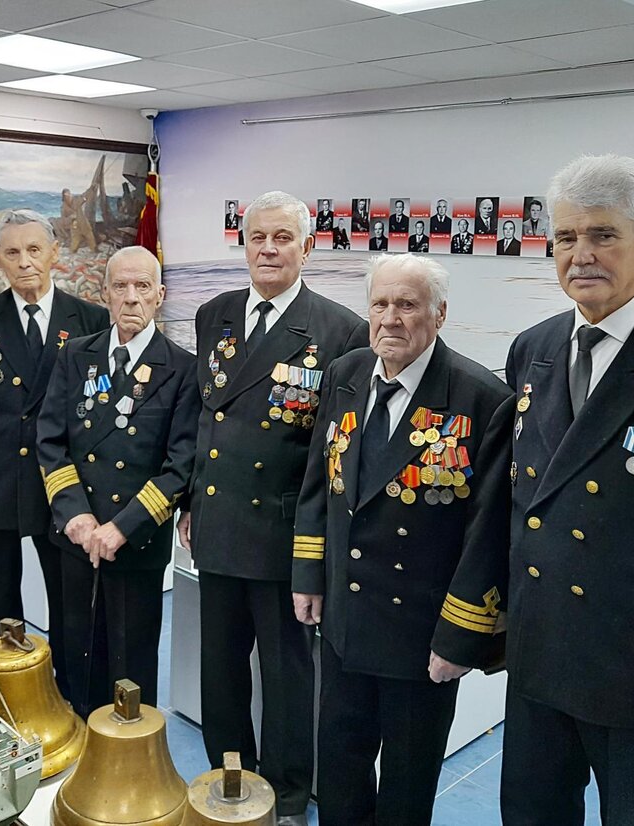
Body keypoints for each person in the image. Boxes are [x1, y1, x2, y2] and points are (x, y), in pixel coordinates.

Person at [447, 154, 634, 825]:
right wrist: (471, 625)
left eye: (603, 235)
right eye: (566, 237)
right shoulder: (533, 349)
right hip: (541, 646)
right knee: (531, 811)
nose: (581, 255)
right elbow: (510, 503)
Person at [293, 253, 512, 825]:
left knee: (407, 786)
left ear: (440, 314)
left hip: (421, 637)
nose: (390, 318)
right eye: (380, 304)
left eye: (407, 305)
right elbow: (319, 481)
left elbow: (487, 535)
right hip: (344, 620)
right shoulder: (346, 373)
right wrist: (308, 575)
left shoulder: (480, 399)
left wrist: (461, 637)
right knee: (339, 765)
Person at [178, 190, 368, 826]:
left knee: (287, 676)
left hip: (282, 533)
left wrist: (316, 546)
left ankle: (286, 793)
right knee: (221, 667)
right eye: (257, 237)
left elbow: (330, 455)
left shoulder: (339, 330)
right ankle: (229, 773)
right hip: (216, 523)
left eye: (282, 238)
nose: (268, 249)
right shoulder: (214, 314)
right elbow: (207, 417)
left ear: (307, 248)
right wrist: (189, 501)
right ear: (243, 244)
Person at [0, 209, 109, 661]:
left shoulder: (90, 318)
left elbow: (100, 411)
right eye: (12, 252)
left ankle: (70, 690)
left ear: (54, 253)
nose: (24, 261)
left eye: (34, 249)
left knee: (72, 604)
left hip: (63, 486)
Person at [37, 246, 198, 715]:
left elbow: (181, 463)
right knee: (75, 652)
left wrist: (122, 527)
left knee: (131, 665)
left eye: (143, 286)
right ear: (104, 293)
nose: (131, 297)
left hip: (135, 542)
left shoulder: (182, 368)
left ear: (160, 295)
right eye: (121, 286)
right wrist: (76, 516)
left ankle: (129, 751)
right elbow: (50, 439)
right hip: (76, 537)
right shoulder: (75, 356)